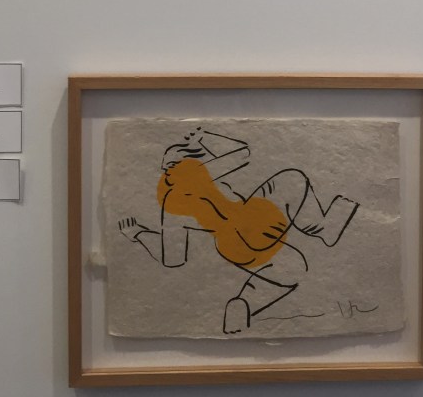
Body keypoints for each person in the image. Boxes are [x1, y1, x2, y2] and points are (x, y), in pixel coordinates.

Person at [118, 130, 357, 334]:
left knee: (293, 269)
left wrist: (139, 234)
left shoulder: (171, 207)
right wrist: (206, 137)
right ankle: (321, 227)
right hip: (260, 216)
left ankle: (244, 303)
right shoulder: (205, 173)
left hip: (235, 246)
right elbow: (243, 152)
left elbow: (172, 259)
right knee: (291, 179)